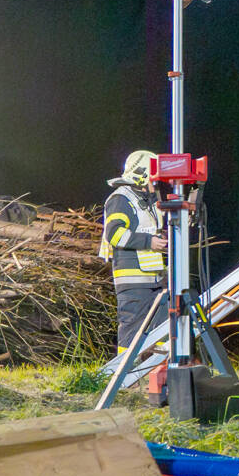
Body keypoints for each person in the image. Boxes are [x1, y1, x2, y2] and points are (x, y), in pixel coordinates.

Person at [99, 150, 169, 354]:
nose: (157, 182)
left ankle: (155, 370)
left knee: (162, 327)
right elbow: (114, 234)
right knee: (131, 329)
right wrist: (150, 242)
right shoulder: (121, 199)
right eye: (154, 177)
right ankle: (125, 375)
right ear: (142, 174)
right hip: (132, 279)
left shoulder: (148, 199)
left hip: (154, 277)